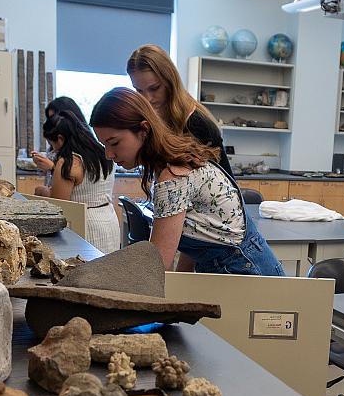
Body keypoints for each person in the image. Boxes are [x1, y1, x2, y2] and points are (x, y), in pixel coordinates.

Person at [90, 87, 284, 276]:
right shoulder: (171, 163)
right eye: (104, 145)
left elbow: (156, 267)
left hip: (248, 274)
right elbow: (194, 230)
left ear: (144, 130)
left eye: (114, 142)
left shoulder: (173, 176)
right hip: (235, 270)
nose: (109, 154)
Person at [126, 44, 233, 176]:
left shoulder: (196, 123)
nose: (148, 99)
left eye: (154, 88)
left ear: (170, 81)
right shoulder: (153, 120)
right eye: (139, 90)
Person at [37, 110, 121, 253]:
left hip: (85, 225)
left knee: (85, 271)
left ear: (61, 138)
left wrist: (42, 191)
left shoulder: (68, 163)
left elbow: (59, 206)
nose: (53, 148)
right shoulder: (104, 153)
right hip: (109, 220)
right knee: (109, 270)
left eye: (52, 143)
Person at [31, 96, 88, 176]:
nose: (51, 124)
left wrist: (53, 168)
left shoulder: (82, 153)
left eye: (53, 118)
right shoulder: (57, 147)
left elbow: (74, 180)